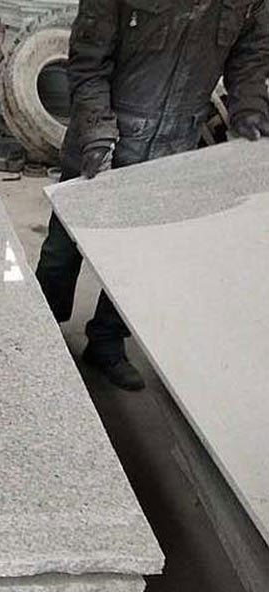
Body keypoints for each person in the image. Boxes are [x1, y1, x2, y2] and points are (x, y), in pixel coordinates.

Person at [36, 0, 269, 390]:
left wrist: (249, 106)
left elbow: (250, 56)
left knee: (139, 256)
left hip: (174, 144)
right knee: (64, 249)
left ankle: (107, 342)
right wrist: (96, 131)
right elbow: (88, 61)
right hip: (106, 135)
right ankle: (39, 329)